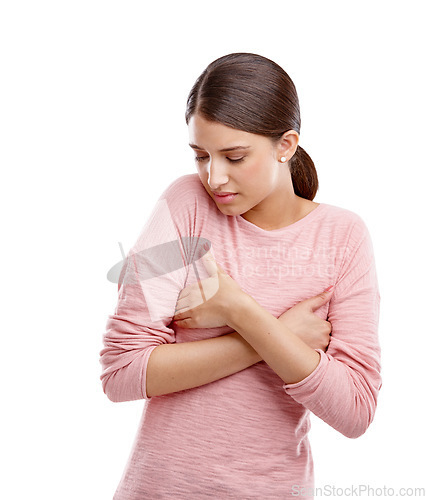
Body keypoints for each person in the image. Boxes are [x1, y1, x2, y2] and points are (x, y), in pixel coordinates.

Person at [99, 52, 381, 499]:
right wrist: (277, 335)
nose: (214, 177)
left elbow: (355, 411)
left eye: (234, 156)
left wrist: (239, 309)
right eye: (201, 156)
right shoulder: (184, 204)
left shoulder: (342, 237)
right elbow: (122, 373)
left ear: (285, 145)